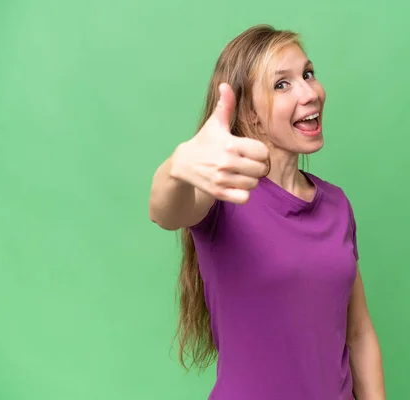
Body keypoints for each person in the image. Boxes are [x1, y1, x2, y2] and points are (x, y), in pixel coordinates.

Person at [148, 24, 385, 400]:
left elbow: (358, 332)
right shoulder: (223, 196)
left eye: (307, 74)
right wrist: (178, 164)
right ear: (251, 114)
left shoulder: (337, 205)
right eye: (282, 84)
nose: (310, 93)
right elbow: (165, 212)